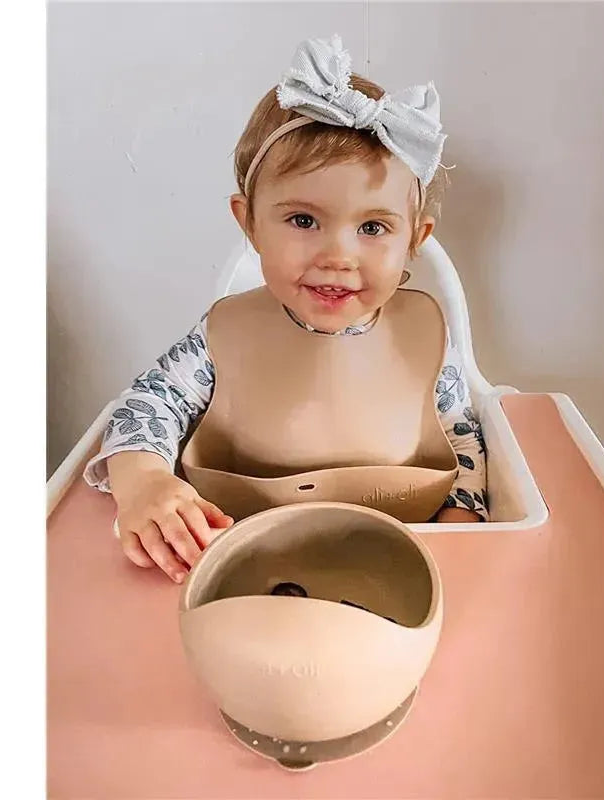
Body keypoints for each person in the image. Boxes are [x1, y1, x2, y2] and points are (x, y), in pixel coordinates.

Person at [84, 34, 489, 584]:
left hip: (394, 571)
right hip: (239, 564)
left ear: (414, 239)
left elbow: (462, 439)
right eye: (303, 220)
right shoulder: (222, 337)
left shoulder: (427, 341)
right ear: (249, 222)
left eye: (373, 228)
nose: (338, 256)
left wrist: (462, 526)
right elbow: (148, 405)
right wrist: (145, 481)